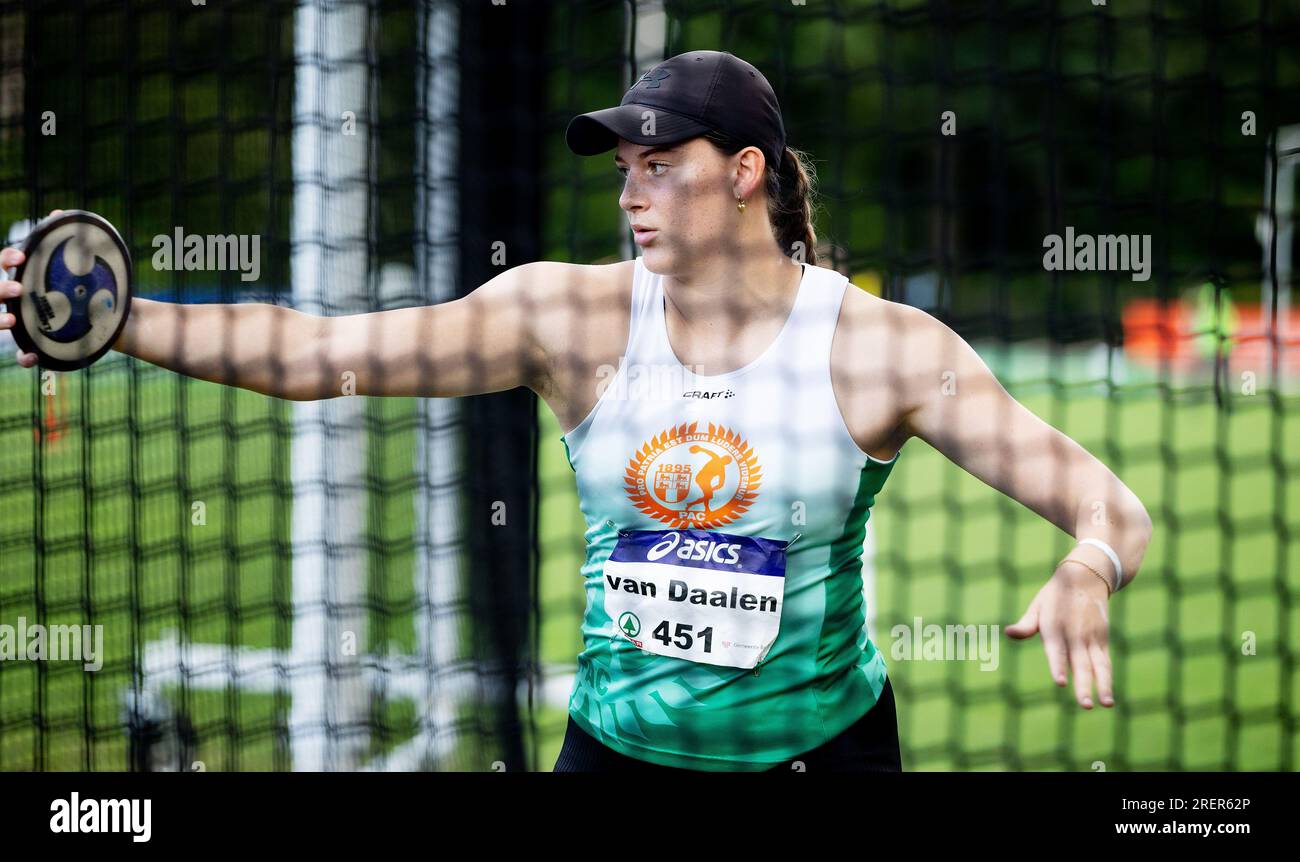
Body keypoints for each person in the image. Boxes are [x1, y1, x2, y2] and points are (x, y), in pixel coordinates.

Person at [0, 50, 1152, 773]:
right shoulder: (564, 318)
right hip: (611, 757)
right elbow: (315, 353)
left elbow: (1105, 502)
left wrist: (1089, 564)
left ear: (746, 173)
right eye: (621, 168)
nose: (630, 188)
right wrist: (121, 318)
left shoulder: (880, 349)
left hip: (821, 754)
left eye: (659, 162)